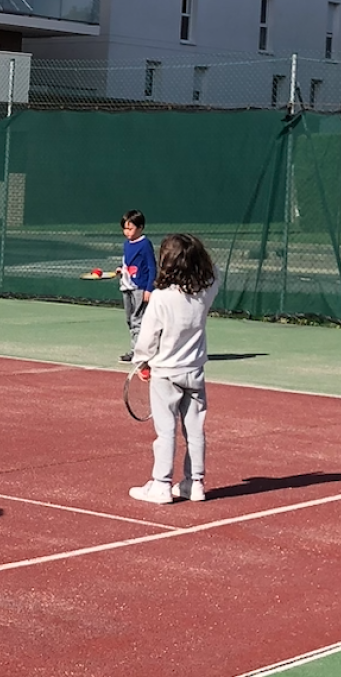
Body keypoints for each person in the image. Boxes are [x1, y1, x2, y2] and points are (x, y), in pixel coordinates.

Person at [128, 232, 220, 505]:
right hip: (194, 372)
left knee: (166, 431)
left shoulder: (160, 298)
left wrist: (141, 362)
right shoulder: (206, 291)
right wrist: (199, 259)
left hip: (166, 374)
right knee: (195, 430)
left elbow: (147, 339)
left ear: (166, 262)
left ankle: (161, 485)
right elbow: (214, 271)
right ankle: (195, 483)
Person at [117, 209, 156, 363]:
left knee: (137, 319)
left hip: (140, 287)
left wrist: (149, 289)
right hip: (126, 286)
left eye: (130, 228)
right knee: (129, 319)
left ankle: (138, 352)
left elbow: (152, 267)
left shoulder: (145, 244)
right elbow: (128, 262)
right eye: (125, 228)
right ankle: (139, 349)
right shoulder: (127, 244)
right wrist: (121, 269)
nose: (127, 232)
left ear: (140, 228)